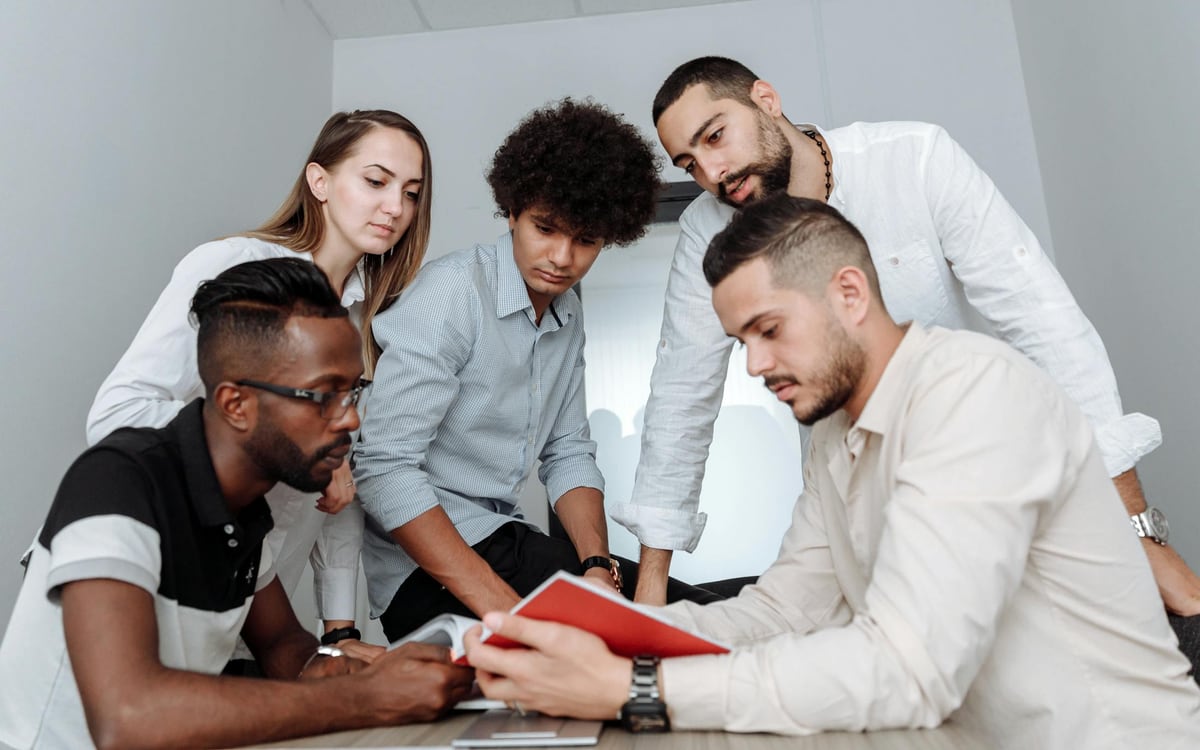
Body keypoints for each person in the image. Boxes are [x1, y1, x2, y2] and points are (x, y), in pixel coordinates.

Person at [464, 196, 1200, 749]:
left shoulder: (974, 394)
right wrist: (614, 635)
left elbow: (910, 668)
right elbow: (783, 613)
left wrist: (637, 687)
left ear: (849, 294)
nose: (755, 366)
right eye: (741, 341)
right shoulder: (834, 431)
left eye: (769, 330)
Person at [613, 56, 1200, 616]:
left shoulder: (913, 159)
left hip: (991, 472)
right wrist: (652, 593)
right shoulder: (706, 231)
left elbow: (1044, 323)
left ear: (765, 100)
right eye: (689, 164)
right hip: (855, 504)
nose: (712, 174)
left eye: (715, 136)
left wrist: (1136, 531)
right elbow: (681, 397)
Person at [0, 259, 472, 750]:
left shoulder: (245, 505)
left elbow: (282, 644)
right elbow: (127, 717)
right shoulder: (117, 482)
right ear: (235, 405)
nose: (351, 419)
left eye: (352, 391)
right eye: (323, 395)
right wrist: (366, 698)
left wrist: (354, 667)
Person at [353, 98, 716, 642]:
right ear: (513, 211)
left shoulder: (568, 313)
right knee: (690, 627)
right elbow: (383, 470)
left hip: (503, 539)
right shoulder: (452, 293)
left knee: (700, 615)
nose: (562, 258)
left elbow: (568, 451)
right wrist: (509, 614)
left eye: (586, 240)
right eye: (546, 228)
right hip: (423, 572)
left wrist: (597, 567)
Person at [85, 109, 433, 648]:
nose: (396, 208)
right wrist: (302, 451)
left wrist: (339, 627)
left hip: (260, 616)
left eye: (411, 193)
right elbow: (117, 416)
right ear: (319, 181)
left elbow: (341, 490)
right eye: (375, 181)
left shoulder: (370, 323)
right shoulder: (234, 265)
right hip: (161, 586)